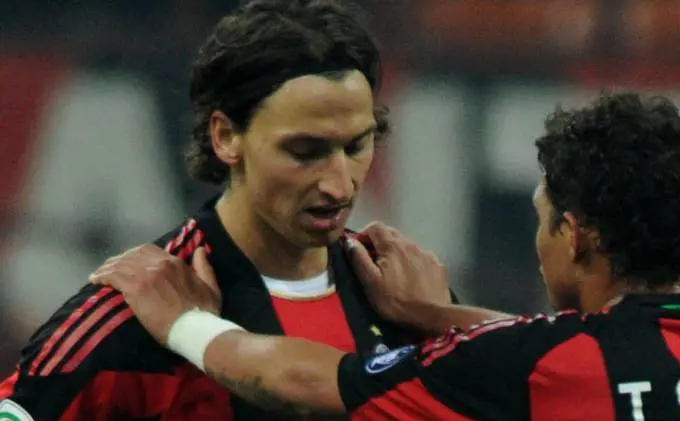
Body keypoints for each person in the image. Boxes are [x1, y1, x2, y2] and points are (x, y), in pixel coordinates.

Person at [86, 92, 680, 420]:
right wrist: (436, 315)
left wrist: (183, 321)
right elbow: (596, 357)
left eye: (543, 219)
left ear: (576, 235)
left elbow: (307, 381)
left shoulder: (538, 369)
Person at [0, 1, 450, 419]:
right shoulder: (133, 316)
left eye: (356, 147)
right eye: (304, 151)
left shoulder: (411, 305)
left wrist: (444, 323)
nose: (339, 184)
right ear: (226, 137)